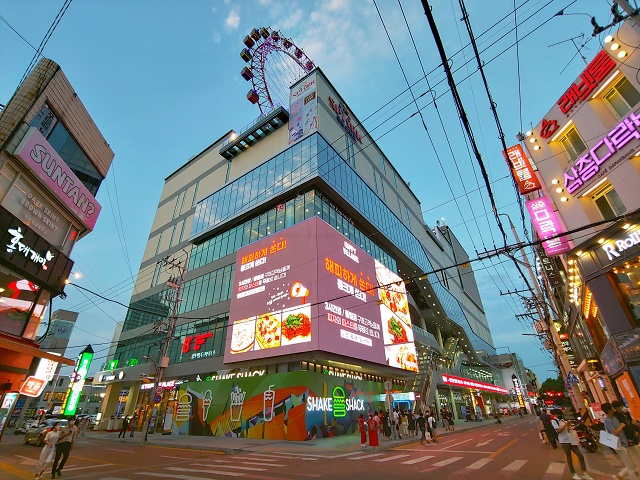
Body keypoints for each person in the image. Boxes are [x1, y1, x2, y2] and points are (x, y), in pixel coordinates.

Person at [551, 408, 594, 480]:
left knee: (580, 456)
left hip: (571, 440)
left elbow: (567, 429)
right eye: (559, 414)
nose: (560, 415)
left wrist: (570, 426)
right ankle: (573, 474)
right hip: (564, 441)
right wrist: (566, 425)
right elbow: (559, 431)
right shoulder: (554, 421)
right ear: (556, 414)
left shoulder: (563, 420)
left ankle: (584, 473)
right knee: (569, 458)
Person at [603, 402, 640, 480]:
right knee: (630, 466)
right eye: (612, 408)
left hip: (624, 443)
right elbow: (615, 432)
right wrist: (621, 426)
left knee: (631, 464)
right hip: (617, 445)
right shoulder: (607, 420)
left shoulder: (615, 418)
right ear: (609, 410)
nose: (614, 409)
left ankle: (619, 477)